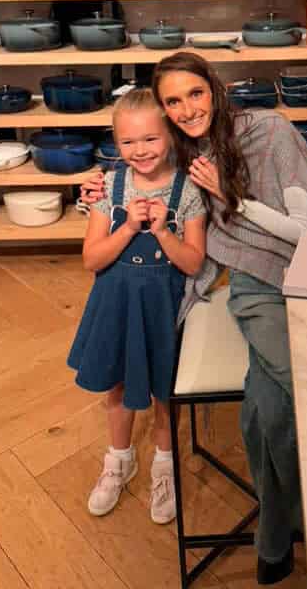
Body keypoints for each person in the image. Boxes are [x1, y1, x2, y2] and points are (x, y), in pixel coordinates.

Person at [80, 52, 307, 585]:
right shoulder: (181, 155)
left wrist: (232, 195)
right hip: (252, 283)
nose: (186, 109)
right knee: (298, 388)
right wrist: (93, 190)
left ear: (215, 88)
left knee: (267, 408)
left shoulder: (268, 132)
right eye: (173, 102)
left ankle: (279, 533)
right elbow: (138, 171)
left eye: (195, 94)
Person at [68, 88, 206, 524]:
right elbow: (92, 259)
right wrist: (128, 227)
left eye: (150, 138)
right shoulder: (108, 187)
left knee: (164, 391)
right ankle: (119, 461)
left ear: (170, 134)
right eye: (128, 142)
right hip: (117, 305)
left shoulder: (188, 191)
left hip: (165, 310)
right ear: (115, 142)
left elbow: (193, 262)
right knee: (118, 387)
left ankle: (164, 466)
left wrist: (163, 231)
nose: (140, 150)